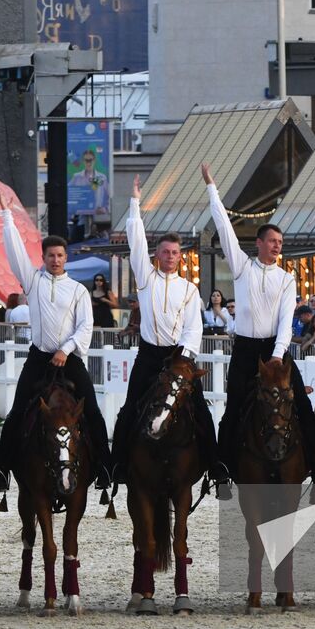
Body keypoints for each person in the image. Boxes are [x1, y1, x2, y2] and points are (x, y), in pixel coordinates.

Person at [203, 163, 315, 484]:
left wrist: (279, 352)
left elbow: (287, 318)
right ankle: (224, 470)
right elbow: (225, 228)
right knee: (233, 410)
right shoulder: (242, 267)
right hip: (246, 350)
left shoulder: (287, 279)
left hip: (277, 350)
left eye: (280, 243)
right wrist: (212, 190)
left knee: (300, 402)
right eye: (273, 241)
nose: (277, 246)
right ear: (259, 243)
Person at [109, 176, 223, 486]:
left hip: (179, 358)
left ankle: (215, 471)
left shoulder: (189, 289)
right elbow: (135, 239)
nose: (170, 256)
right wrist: (134, 202)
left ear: (180, 256)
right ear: (157, 255)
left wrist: (184, 358)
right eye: (165, 252)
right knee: (130, 408)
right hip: (149, 355)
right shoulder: (146, 278)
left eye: (174, 252)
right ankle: (115, 469)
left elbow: (193, 328)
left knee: (201, 410)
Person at [0, 191, 111, 492]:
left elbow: (86, 325)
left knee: (93, 412)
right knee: (18, 410)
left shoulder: (77, 290)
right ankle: (1, 470)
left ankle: (105, 469)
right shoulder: (33, 281)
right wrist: (6, 217)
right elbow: (15, 254)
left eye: (60, 255)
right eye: (50, 256)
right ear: (43, 258)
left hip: (69, 359)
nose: (56, 260)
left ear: (66, 257)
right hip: (39, 358)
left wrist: (66, 349)